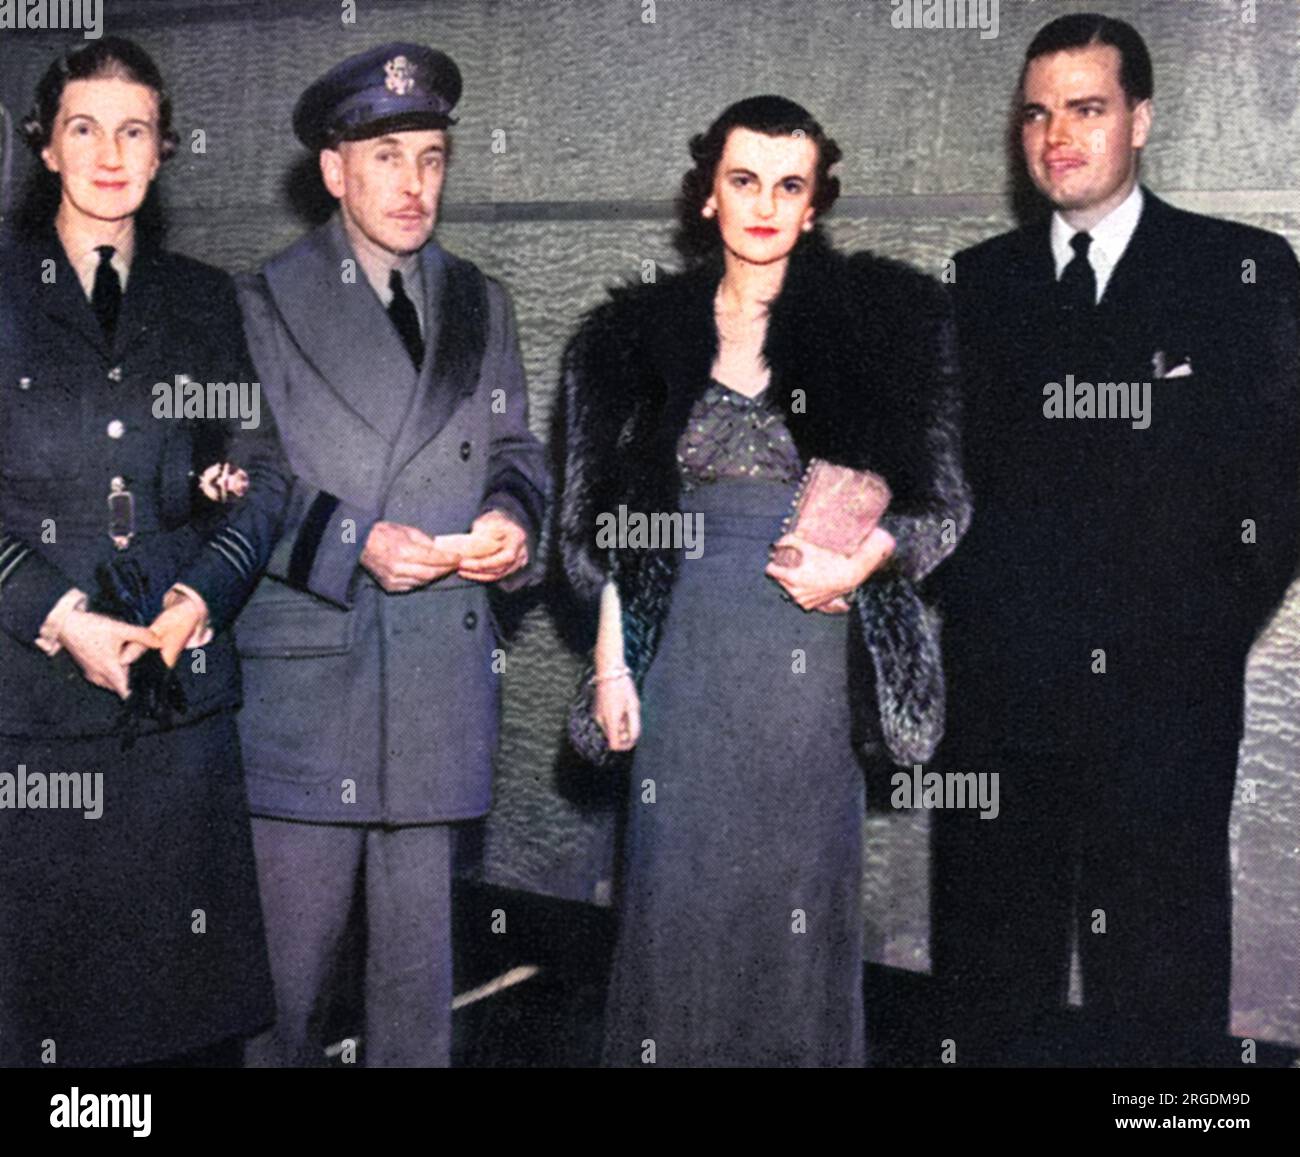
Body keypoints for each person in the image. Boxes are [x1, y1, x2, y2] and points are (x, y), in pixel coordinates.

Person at [561, 95, 968, 1067]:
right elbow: (607, 533)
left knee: (793, 924)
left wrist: (861, 559)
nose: (763, 205)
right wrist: (613, 670)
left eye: (789, 186)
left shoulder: (882, 328)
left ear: (815, 203)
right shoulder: (631, 338)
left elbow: (941, 508)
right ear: (707, 192)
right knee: (673, 915)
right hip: (681, 674)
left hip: (808, 671)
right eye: (743, 181)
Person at [932, 13, 1300, 1067]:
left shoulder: (1240, 271)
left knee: (1164, 985)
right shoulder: (975, 285)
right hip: (1002, 708)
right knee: (992, 983)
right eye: (1037, 113)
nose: (1057, 135)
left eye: (1085, 109)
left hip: (1164, 709)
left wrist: (1197, 639)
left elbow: (1276, 489)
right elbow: (943, 488)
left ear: (1140, 119)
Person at [235, 42, 547, 1068]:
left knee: (417, 1002)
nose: (414, 186)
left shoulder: (480, 302)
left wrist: (511, 519)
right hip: (311, 686)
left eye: (431, 158)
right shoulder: (259, 304)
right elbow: (237, 484)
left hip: (435, 683)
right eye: (385, 159)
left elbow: (515, 451)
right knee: (279, 993)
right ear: (333, 170)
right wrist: (356, 541)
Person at [0, 37, 290, 1067]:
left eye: (135, 130)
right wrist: (59, 613)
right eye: (85, 127)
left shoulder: (207, 302)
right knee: (49, 1027)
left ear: (165, 150)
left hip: (178, 714)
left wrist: (199, 597)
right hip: (35, 720)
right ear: (45, 147)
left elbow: (262, 478)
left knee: (180, 1026)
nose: (110, 153)